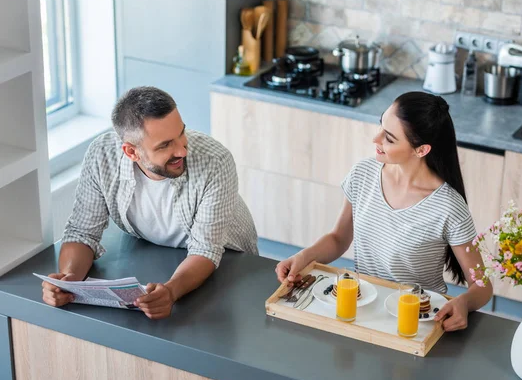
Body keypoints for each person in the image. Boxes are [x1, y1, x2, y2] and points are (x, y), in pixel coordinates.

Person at [276, 92, 492, 331]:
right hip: (361, 311)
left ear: (421, 150)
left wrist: (463, 303)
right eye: (381, 125)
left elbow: (481, 285)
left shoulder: (448, 206)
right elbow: (338, 239)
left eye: (389, 138)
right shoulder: (363, 174)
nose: (375, 138)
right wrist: (303, 257)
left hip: (415, 323)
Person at [42, 86, 258, 319]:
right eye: (165, 145)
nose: (182, 151)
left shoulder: (215, 161)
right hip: (156, 253)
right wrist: (69, 282)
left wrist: (171, 291)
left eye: (181, 133)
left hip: (227, 260)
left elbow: (205, 249)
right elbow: (82, 232)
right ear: (131, 152)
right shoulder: (101, 155)